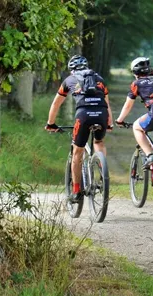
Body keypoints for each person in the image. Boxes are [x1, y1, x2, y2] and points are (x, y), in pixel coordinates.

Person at [45, 55, 113, 202]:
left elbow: (56, 104)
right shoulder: (99, 78)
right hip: (102, 113)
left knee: (78, 152)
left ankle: (76, 191)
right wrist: (109, 123)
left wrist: (51, 123)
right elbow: (107, 103)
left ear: (71, 70)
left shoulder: (69, 80)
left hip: (83, 115)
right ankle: (103, 172)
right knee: (99, 141)